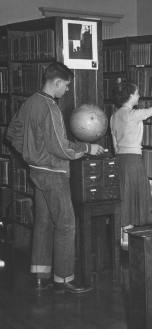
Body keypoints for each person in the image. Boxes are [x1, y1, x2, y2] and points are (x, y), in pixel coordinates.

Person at [6, 61, 105, 293]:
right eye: (67, 85)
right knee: (66, 224)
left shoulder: (30, 102)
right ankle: (64, 279)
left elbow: (11, 133)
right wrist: (86, 149)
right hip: (53, 173)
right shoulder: (50, 107)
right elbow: (61, 147)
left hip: (36, 171)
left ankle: (41, 274)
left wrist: (32, 154)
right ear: (57, 82)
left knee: (43, 222)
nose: (67, 90)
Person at [110, 70, 152, 249]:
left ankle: (123, 234)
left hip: (119, 160)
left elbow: (115, 145)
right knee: (133, 197)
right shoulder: (133, 114)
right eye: (136, 93)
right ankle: (127, 238)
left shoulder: (113, 116)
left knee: (124, 197)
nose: (139, 95)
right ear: (130, 96)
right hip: (133, 160)